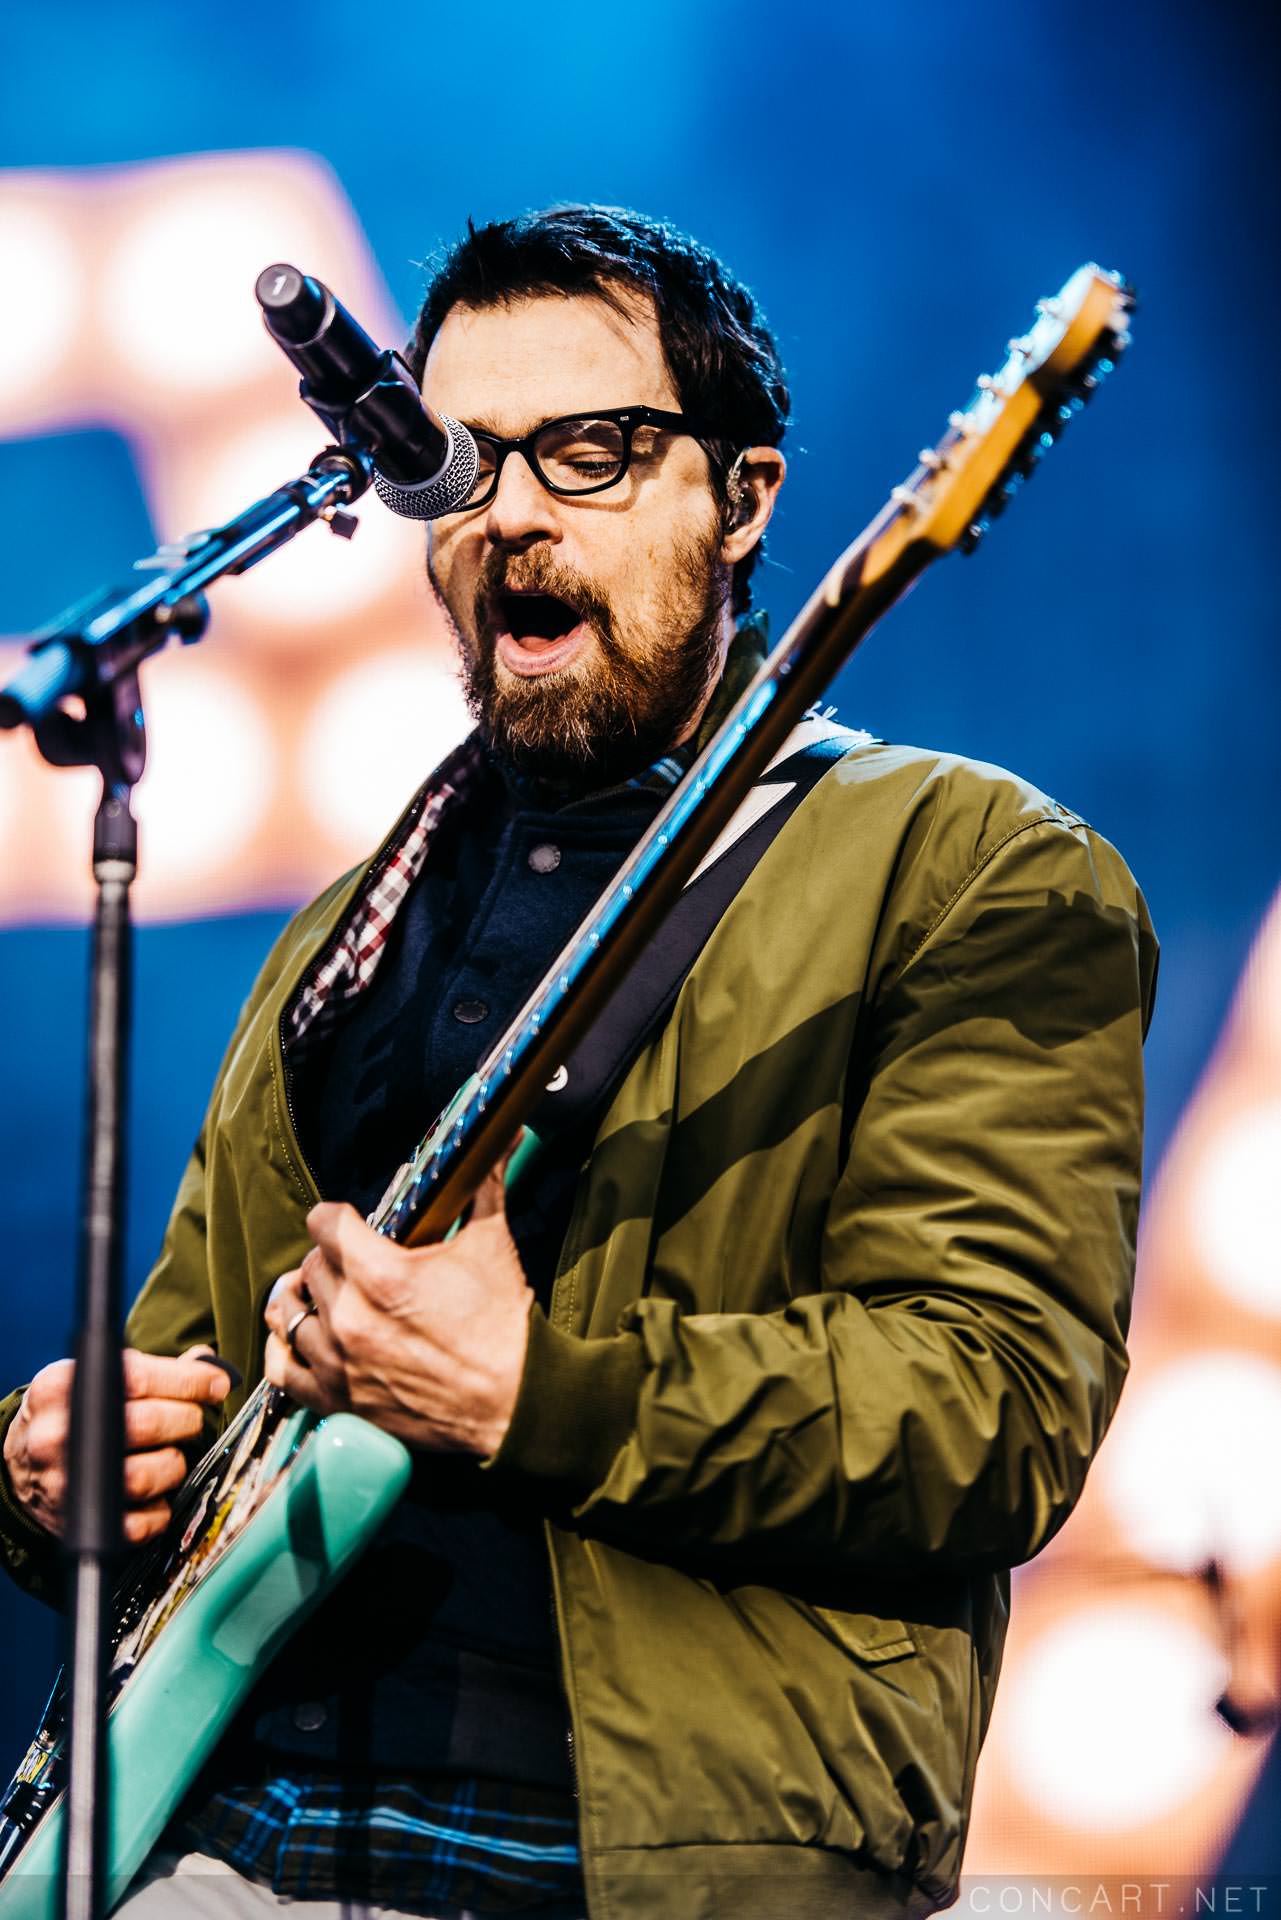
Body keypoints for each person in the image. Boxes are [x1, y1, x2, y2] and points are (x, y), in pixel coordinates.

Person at [0, 205, 1157, 1920]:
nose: (515, 514)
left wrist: (533, 1395)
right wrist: (56, 1473)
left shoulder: (969, 868)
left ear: (741, 500)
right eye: (466, 462)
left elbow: (989, 1416)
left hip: (627, 1864)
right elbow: (196, 1371)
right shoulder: (346, 926)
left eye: (593, 453)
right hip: (213, 1834)